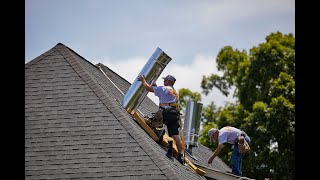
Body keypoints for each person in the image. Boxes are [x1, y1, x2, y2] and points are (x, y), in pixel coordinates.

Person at [137, 74, 184, 164]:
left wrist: (143, 80)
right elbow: (161, 94)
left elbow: (148, 88)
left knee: (149, 122)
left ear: (168, 81)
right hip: (174, 115)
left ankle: (160, 133)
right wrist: (155, 86)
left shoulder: (163, 88)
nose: (163, 82)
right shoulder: (173, 91)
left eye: (165, 80)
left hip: (165, 113)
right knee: (175, 135)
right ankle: (180, 156)